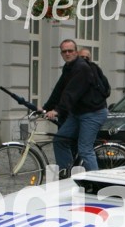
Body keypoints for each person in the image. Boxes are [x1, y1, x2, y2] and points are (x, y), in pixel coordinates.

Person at [43, 39, 109, 174]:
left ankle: (96, 182)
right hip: (78, 113)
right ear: (61, 53)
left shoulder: (81, 68)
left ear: (76, 52)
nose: (67, 54)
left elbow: (71, 93)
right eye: (64, 51)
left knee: (85, 149)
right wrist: (45, 107)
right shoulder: (68, 68)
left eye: (70, 51)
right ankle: (67, 174)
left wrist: (57, 110)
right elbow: (59, 89)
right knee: (60, 140)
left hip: (93, 113)